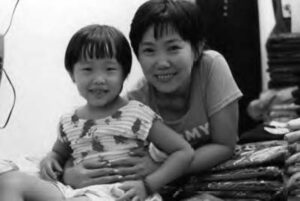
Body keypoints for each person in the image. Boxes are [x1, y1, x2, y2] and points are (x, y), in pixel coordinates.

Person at [62, 0, 242, 199]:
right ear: (137, 56)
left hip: (215, 175)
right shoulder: (134, 103)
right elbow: (86, 143)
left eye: (173, 48)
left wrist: (160, 167)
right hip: (166, 185)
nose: (162, 62)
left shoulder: (211, 67)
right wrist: (69, 173)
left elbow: (225, 145)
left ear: (197, 48)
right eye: (149, 50)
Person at [0, 24, 194, 201]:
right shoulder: (69, 121)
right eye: (87, 69)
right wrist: (51, 161)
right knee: (9, 182)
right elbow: (58, 152)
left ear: (124, 74)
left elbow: (183, 151)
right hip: (77, 191)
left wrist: (147, 185)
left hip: (121, 192)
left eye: (109, 69)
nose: (99, 79)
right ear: (72, 74)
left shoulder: (136, 114)